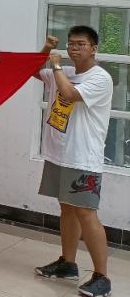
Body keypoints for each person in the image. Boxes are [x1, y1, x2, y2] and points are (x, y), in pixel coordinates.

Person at [33, 28, 113, 297]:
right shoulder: (66, 71)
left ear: (94, 49)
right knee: (66, 208)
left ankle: (102, 277)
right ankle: (68, 263)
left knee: (87, 214)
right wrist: (46, 49)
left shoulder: (100, 78)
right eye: (71, 44)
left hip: (83, 158)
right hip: (59, 153)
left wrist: (56, 65)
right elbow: (33, 71)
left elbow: (68, 94)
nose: (74, 48)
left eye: (81, 44)